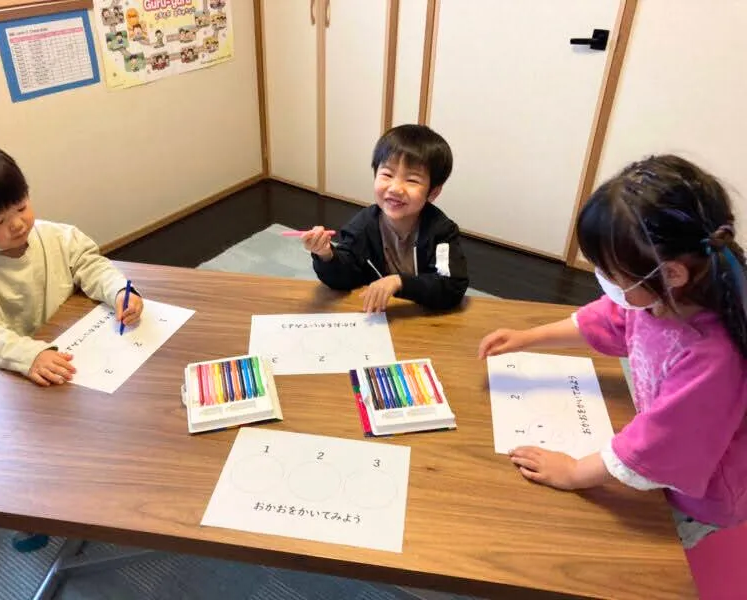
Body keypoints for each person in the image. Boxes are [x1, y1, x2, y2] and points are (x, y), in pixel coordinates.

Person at [478, 155, 747, 548]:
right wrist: (527, 338)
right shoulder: (660, 299)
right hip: (669, 449)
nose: (604, 282)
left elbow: (660, 444)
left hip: (700, 493)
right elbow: (608, 320)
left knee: (655, 558)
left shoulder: (713, 357)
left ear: (672, 273)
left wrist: (573, 472)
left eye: (612, 274)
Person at [0, 142, 144, 552]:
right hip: (13, 378)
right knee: (28, 457)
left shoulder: (57, 236)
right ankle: (32, 515)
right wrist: (29, 355)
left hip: (75, 353)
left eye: (21, 206)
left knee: (94, 427)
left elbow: (92, 265)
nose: (18, 224)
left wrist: (119, 291)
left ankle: (89, 484)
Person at [302, 124, 468, 312]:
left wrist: (399, 282)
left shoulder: (441, 231)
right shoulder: (363, 225)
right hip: (376, 314)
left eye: (412, 180)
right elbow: (344, 278)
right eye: (387, 174)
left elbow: (452, 286)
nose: (395, 188)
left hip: (422, 315)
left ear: (433, 192)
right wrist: (325, 254)